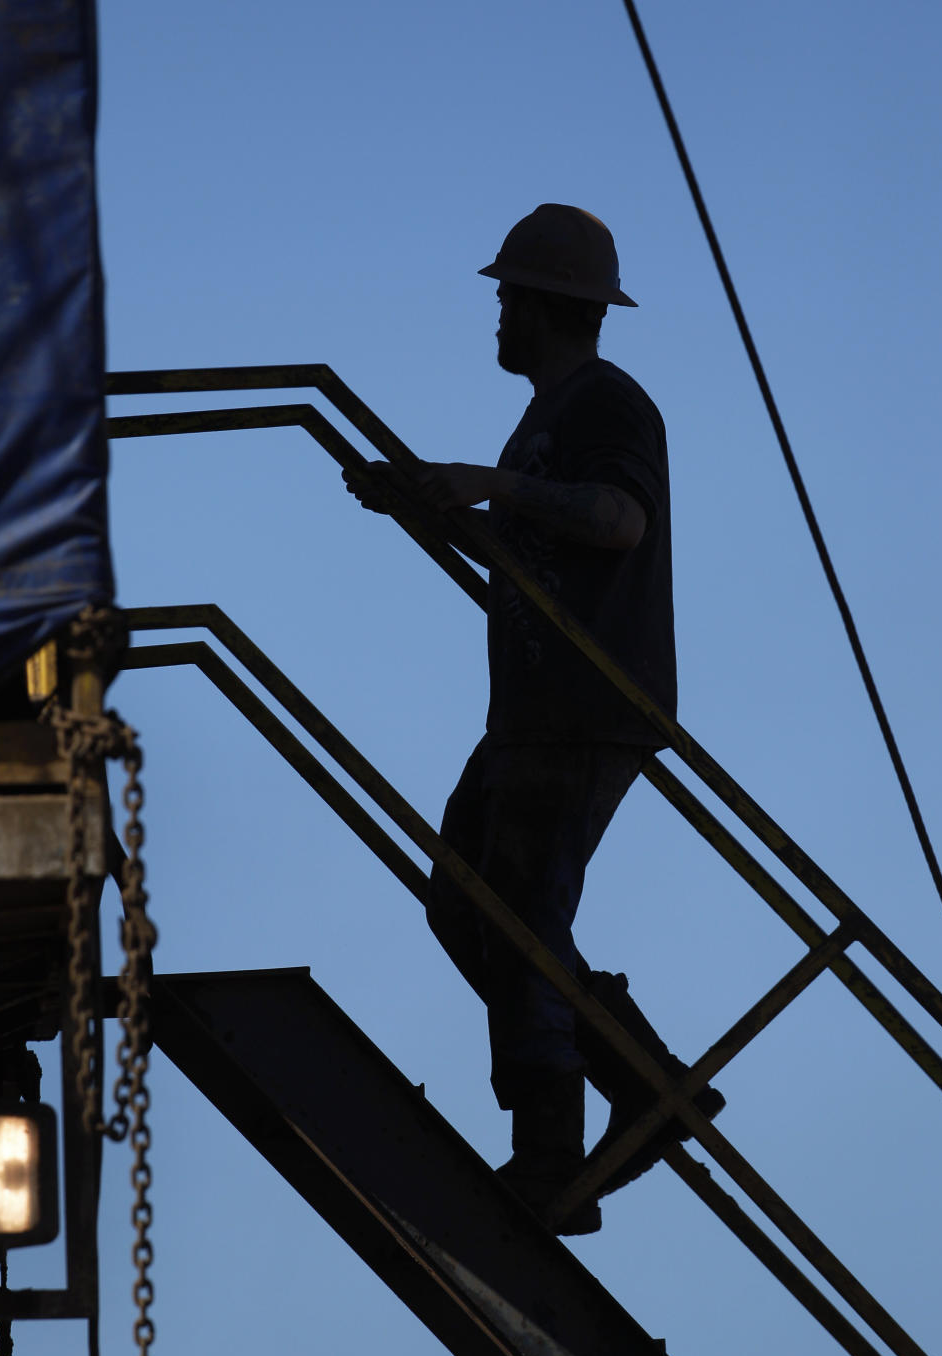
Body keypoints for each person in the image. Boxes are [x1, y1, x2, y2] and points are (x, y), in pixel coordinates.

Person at [345, 204, 721, 1235]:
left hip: (587, 703)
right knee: (467, 904)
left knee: (514, 910)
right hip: (533, 709)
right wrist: (435, 510)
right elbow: (536, 545)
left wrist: (491, 482)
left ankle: (557, 1140)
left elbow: (617, 518)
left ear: (546, 304)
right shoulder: (548, 419)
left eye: (508, 296)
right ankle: (638, 1074)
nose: (498, 315)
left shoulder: (608, 406)